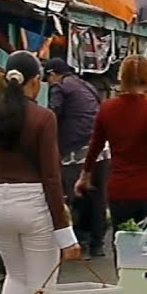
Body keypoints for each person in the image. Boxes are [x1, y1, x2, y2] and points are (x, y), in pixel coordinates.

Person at [0, 51, 79, 294]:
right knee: (42, 287)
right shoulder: (44, 118)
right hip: (33, 205)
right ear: (35, 82)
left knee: (14, 277)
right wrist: (65, 234)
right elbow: (51, 178)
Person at [77, 56, 147, 227]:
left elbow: (95, 146)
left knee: (124, 242)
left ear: (121, 77)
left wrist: (84, 176)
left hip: (120, 189)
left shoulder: (107, 108)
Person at [45, 58, 108, 258]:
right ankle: (97, 244)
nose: (48, 82)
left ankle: (81, 242)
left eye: (48, 77)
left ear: (53, 74)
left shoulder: (60, 88)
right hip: (102, 151)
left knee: (77, 198)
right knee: (97, 199)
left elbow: (52, 116)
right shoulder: (86, 86)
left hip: (76, 152)